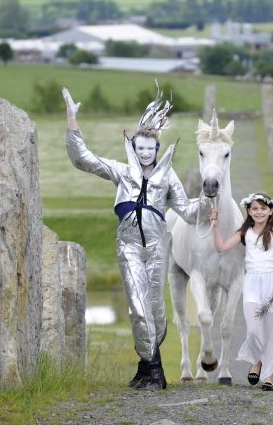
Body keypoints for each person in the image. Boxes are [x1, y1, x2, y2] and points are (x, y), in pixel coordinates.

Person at [62, 84, 209, 391]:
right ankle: (156, 372)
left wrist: (208, 200)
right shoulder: (121, 172)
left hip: (158, 248)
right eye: (139, 148)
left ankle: (144, 367)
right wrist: (72, 118)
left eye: (149, 149)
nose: (144, 153)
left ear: (157, 150)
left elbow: (187, 211)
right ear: (133, 148)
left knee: (155, 311)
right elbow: (83, 159)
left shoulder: (167, 177)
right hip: (129, 247)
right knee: (138, 309)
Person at [210, 192, 273, 391]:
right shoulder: (245, 232)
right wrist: (216, 227)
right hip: (252, 283)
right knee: (254, 329)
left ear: (271, 210)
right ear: (249, 211)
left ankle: (268, 375)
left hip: (272, 281)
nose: (259, 212)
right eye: (255, 208)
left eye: (263, 208)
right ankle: (257, 361)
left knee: (271, 330)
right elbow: (221, 247)